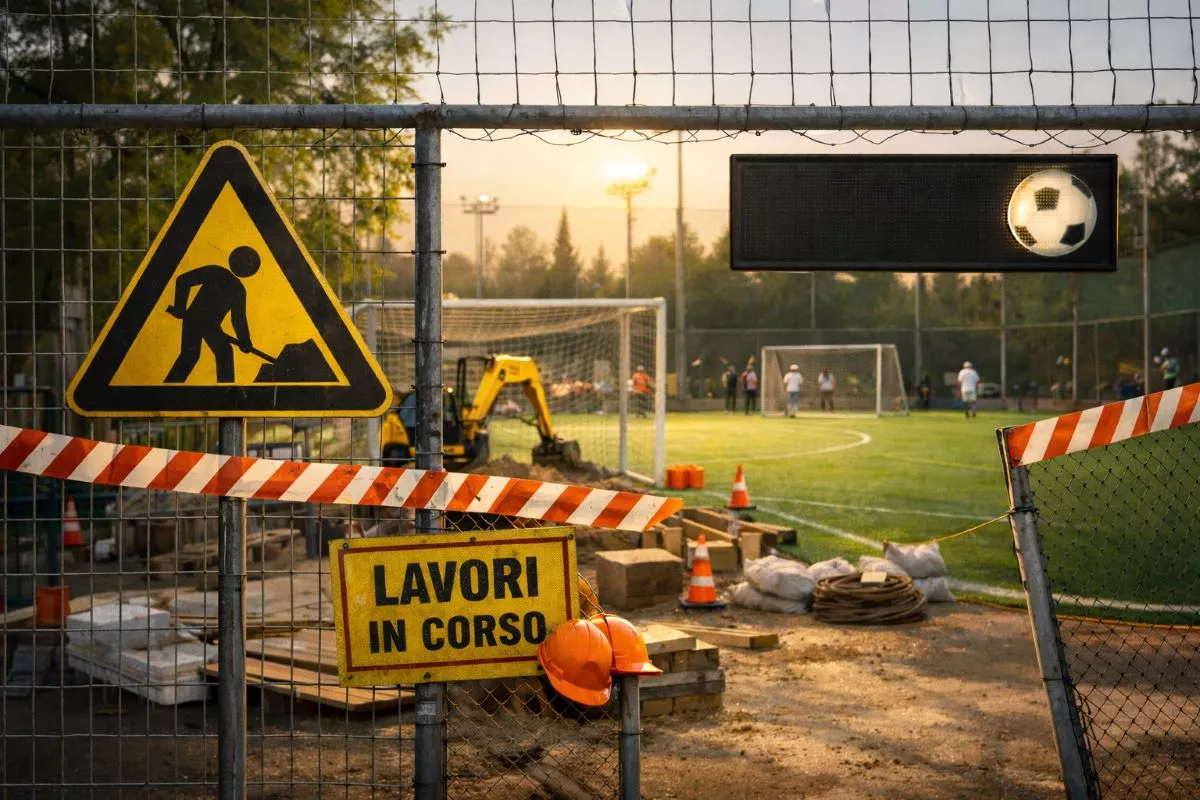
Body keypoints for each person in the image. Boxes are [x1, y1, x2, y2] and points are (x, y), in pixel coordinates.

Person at [165, 245, 261, 383]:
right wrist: (244, 341)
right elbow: (183, 280)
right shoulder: (233, 285)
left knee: (205, 355)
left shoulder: (226, 279)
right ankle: (170, 389)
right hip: (198, 321)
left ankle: (224, 394)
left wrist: (245, 341)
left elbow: (238, 319)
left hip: (205, 324)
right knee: (202, 355)